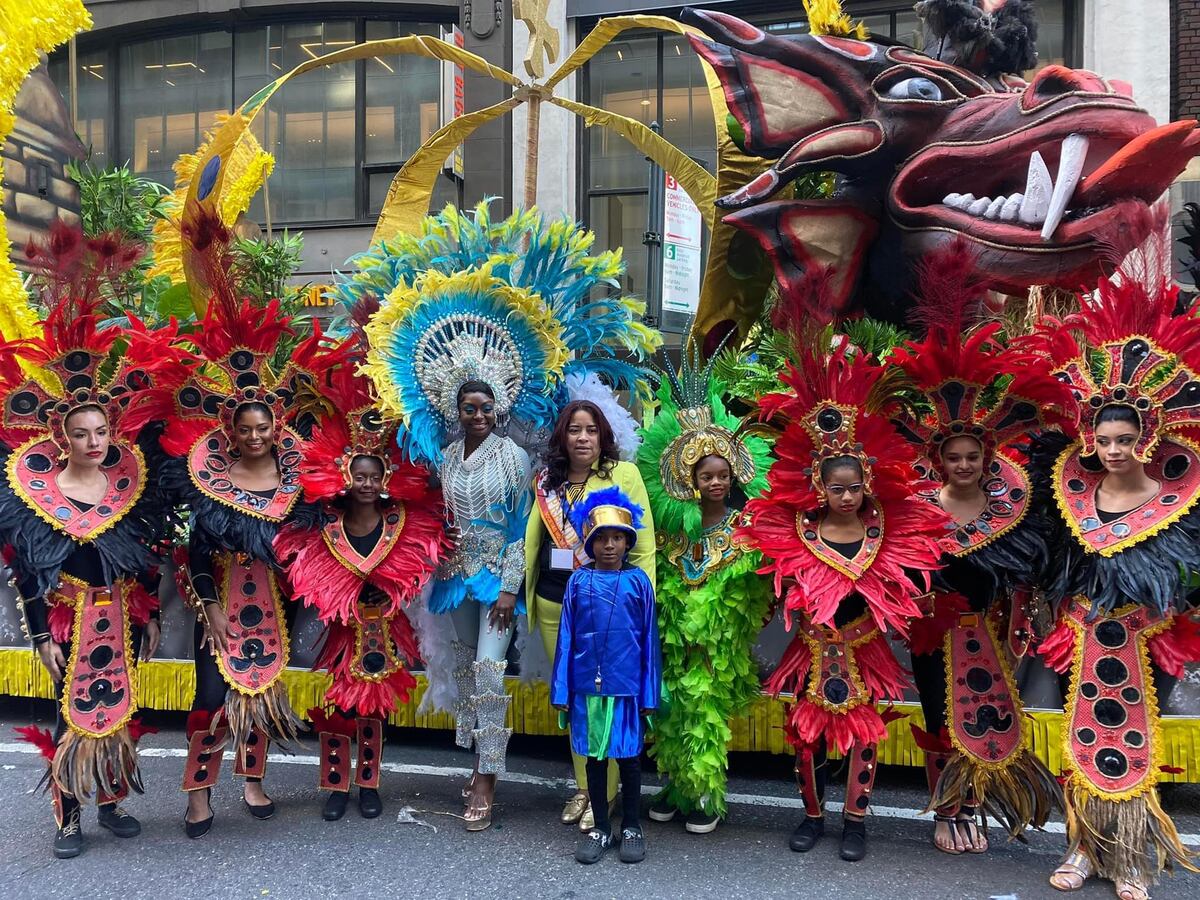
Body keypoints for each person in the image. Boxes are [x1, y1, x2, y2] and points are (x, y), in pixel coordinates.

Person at [141, 213, 343, 837]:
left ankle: (251, 782)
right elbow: (196, 550)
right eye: (245, 428)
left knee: (259, 691)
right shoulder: (208, 475)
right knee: (209, 698)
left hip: (274, 599)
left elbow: (308, 537)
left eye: (264, 428)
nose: (255, 436)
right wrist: (209, 607)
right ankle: (199, 796)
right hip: (220, 598)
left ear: (275, 427)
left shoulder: (292, 474)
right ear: (229, 428)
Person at [889, 246, 1071, 854]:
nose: (963, 464)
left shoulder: (1012, 505)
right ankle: (945, 812)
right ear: (937, 459)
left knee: (987, 713)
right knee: (941, 717)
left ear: (987, 457)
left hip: (991, 628)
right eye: (954, 457)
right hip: (930, 630)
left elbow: (1033, 562)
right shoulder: (915, 506)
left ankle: (972, 808)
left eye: (973, 456)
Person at [1, 223, 174, 858]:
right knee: (70, 713)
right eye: (83, 433)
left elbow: (148, 548)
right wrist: (40, 635)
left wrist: (151, 609)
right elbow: (24, 565)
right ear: (62, 438)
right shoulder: (35, 490)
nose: (95, 441)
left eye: (102, 430)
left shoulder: (132, 482)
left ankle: (111, 800)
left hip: (122, 612)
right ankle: (68, 817)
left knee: (119, 707)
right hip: (68, 618)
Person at [1027, 267, 1200, 900]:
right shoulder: (1073, 493)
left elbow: (1186, 576)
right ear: (1089, 441)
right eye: (1104, 440)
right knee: (1082, 736)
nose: (1116, 449)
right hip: (1080, 636)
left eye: (1126, 439)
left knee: (1133, 737)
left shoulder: (1179, 498)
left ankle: (1129, 858)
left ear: (1147, 439)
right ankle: (1080, 846)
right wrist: (1048, 611)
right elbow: (1052, 560)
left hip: (1142, 639)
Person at [740, 335, 947, 863]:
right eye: (837, 489)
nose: (847, 496)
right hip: (810, 647)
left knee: (864, 734)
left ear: (867, 484)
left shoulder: (891, 532)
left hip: (865, 649)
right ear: (819, 487)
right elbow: (771, 574)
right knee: (804, 736)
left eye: (854, 487)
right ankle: (812, 816)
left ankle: (855, 821)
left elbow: (912, 579)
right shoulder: (795, 531)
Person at [275, 361, 450, 820]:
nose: (368, 484)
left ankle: (369, 785)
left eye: (375, 477)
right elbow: (306, 566)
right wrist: (342, 600)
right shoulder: (324, 523)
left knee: (376, 705)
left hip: (387, 630)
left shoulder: (402, 522)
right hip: (342, 630)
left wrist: (391, 594)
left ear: (386, 479)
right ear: (345, 475)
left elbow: (421, 561)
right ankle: (337, 786)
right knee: (340, 702)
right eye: (360, 476)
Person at [637, 342, 774, 834]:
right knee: (672, 711)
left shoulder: (746, 531)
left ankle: (706, 797)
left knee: (705, 715)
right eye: (705, 475)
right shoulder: (672, 534)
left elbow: (756, 593)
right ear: (688, 480)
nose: (715, 482)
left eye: (722, 474)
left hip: (716, 651)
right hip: (674, 645)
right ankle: (676, 783)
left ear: (734, 474)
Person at [526, 400, 656, 832]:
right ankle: (587, 787)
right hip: (554, 604)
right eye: (574, 430)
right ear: (562, 436)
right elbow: (532, 540)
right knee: (579, 701)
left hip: (612, 610)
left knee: (612, 701)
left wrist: (642, 607)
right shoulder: (547, 482)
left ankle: (609, 792)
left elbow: (644, 546)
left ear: (603, 436)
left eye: (591, 430)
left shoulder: (624, 475)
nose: (583, 438)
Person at [551, 486, 660, 865]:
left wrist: (649, 695)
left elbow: (649, 641)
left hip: (628, 690)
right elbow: (566, 639)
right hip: (588, 689)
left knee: (629, 759)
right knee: (595, 760)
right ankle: (601, 826)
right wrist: (562, 691)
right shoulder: (578, 583)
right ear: (589, 542)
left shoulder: (638, 583)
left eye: (617, 538)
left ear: (628, 542)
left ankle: (631, 824)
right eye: (602, 539)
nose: (610, 546)